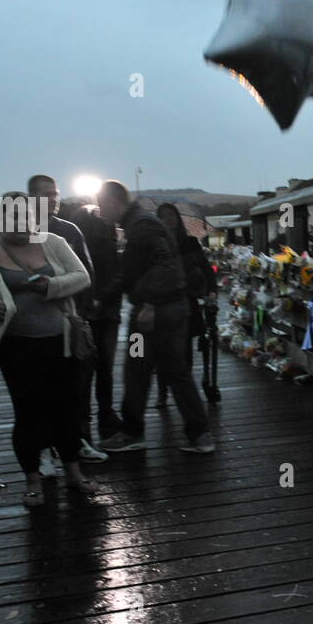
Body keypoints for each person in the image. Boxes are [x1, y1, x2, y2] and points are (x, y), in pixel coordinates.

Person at [0, 192, 94, 506]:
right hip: (16, 346)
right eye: (10, 217)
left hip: (63, 341)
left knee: (67, 408)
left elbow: (82, 276)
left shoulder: (54, 242)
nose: (18, 223)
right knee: (28, 412)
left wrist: (51, 286)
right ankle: (33, 481)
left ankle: (74, 473)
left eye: (24, 217)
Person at [95, 181, 213, 454]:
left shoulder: (142, 226)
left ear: (113, 202)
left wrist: (149, 302)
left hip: (154, 314)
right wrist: (104, 296)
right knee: (174, 372)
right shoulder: (139, 224)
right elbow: (131, 270)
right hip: (168, 309)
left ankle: (134, 433)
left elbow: (164, 264)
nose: (100, 211)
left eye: (102, 205)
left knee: (137, 371)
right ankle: (200, 435)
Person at [27, 174, 107, 463]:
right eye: (47, 194)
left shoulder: (70, 230)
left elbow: (87, 271)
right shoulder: (20, 230)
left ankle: (79, 440)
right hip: (33, 321)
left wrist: (84, 314)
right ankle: (46, 447)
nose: (54, 199)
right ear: (32, 197)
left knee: (77, 384)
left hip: (69, 317)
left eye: (56, 193)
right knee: (41, 388)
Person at [63, 199, 123, 439]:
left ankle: (84, 421)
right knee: (103, 368)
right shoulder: (110, 242)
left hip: (87, 310)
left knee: (85, 369)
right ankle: (104, 415)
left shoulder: (75, 242)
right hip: (105, 311)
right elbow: (119, 273)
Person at [153, 203, 217, 407]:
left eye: (171, 215)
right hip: (162, 303)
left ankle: (185, 395)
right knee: (163, 352)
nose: (168, 219)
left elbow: (206, 269)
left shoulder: (190, 243)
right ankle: (163, 393)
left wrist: (211, 290)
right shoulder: (155, 244)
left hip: (187, 302)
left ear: (177, 218)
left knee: (185, 349)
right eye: (163, 216)